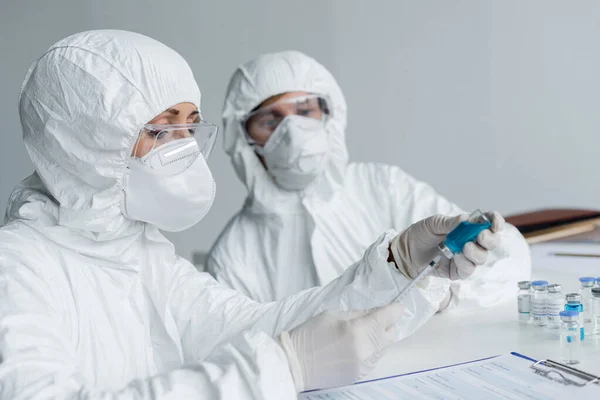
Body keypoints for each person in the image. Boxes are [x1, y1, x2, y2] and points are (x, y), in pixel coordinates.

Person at [0, 30, 498, 399]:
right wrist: (284, 367)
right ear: (86, 141)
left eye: (190, 125)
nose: (184, 147)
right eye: (160, 129)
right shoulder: (17, 268)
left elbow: (255, 325)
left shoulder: (143, 257)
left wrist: (399, 266)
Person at [206, 50, 531, 308]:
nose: (292, 133)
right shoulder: (233, 256)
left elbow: (511, 256)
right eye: (270, 120)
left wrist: (446, 296)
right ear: (244, 138)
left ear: (329, 115)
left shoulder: (383, 187)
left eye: (304, 112)